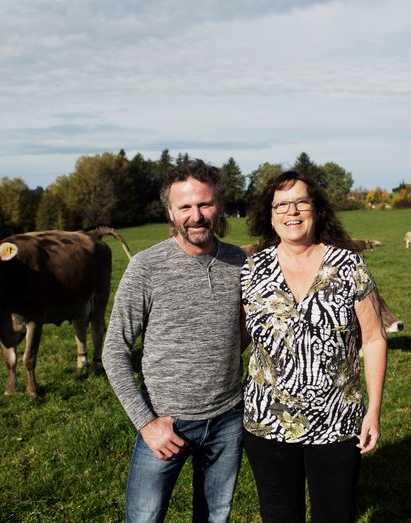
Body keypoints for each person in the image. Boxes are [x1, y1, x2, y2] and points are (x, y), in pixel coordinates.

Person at [102, 159, 246, 523]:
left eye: (204, 204)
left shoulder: (238, 261)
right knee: (144, 518)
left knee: (216, 517)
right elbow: (114, 351)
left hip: (228, 420)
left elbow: (241, 330)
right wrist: (146, 423)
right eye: (185, 207)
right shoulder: (147, 267)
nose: (196, 216)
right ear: (170, 212)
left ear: (220, 207)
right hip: (166, 423)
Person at [240, 170, 388, 523]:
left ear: (316, 209)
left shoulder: (348, 264)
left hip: (337, 421)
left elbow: (374, 337)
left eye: (300, 202)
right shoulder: (251, 270)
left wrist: (374, 410)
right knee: (279, 516)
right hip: (267, 421)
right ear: (270, 215)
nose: (292, 212)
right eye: (281, 205)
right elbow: (239, 337)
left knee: (335, 514)